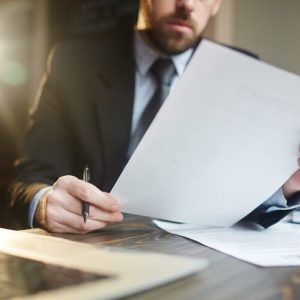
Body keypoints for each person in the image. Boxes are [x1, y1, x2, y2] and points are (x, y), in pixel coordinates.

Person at [9, 0, 300, 233]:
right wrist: (44, 202)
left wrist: (283, 186)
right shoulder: (72, 63)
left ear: (217, 5)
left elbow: (238, 196)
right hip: (95, 247)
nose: (186, 4)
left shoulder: (244, 71)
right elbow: (28, 179)